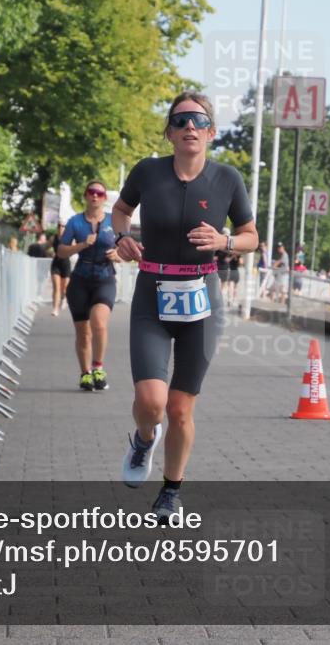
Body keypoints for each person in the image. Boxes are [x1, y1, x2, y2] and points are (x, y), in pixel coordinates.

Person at [112, 92, 258, 522]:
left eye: (199, 120)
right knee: (151, 402)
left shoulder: (227, 179)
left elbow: (251, 236)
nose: (189, 127)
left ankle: (171, 492)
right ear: (170, 132)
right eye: (181, 121)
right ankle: (142, 439)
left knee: (180, 408)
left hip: (202, 298)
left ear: (211, 132)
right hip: (152, 292)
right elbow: (120, 211)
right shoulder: (148, 172)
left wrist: (225, 241)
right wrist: (120, 237)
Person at [57, 181, 120, 391]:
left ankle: (98, 367)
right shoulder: (75, 222)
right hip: (80, 281)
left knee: (99, 323)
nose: (95, 196)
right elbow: (61, 251)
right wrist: (82, 244)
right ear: (85, 195)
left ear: (104, 198)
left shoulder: (114, 221)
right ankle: (85, 374)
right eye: (91, 192)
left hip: (105, 278)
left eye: (99, 193)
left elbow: (127, 248)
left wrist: (118, 254)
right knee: (83, 332)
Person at [50, 225, 72, 317]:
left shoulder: (70, 238)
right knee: (56, 287)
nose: (60, 228)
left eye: (62, 226)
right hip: (56, 264)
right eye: (59, 226)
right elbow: (45, 246)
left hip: (66, 264)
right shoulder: (53, 238)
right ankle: (55, 308)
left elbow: (75, 248)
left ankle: (64, 299)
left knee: (65, 288)